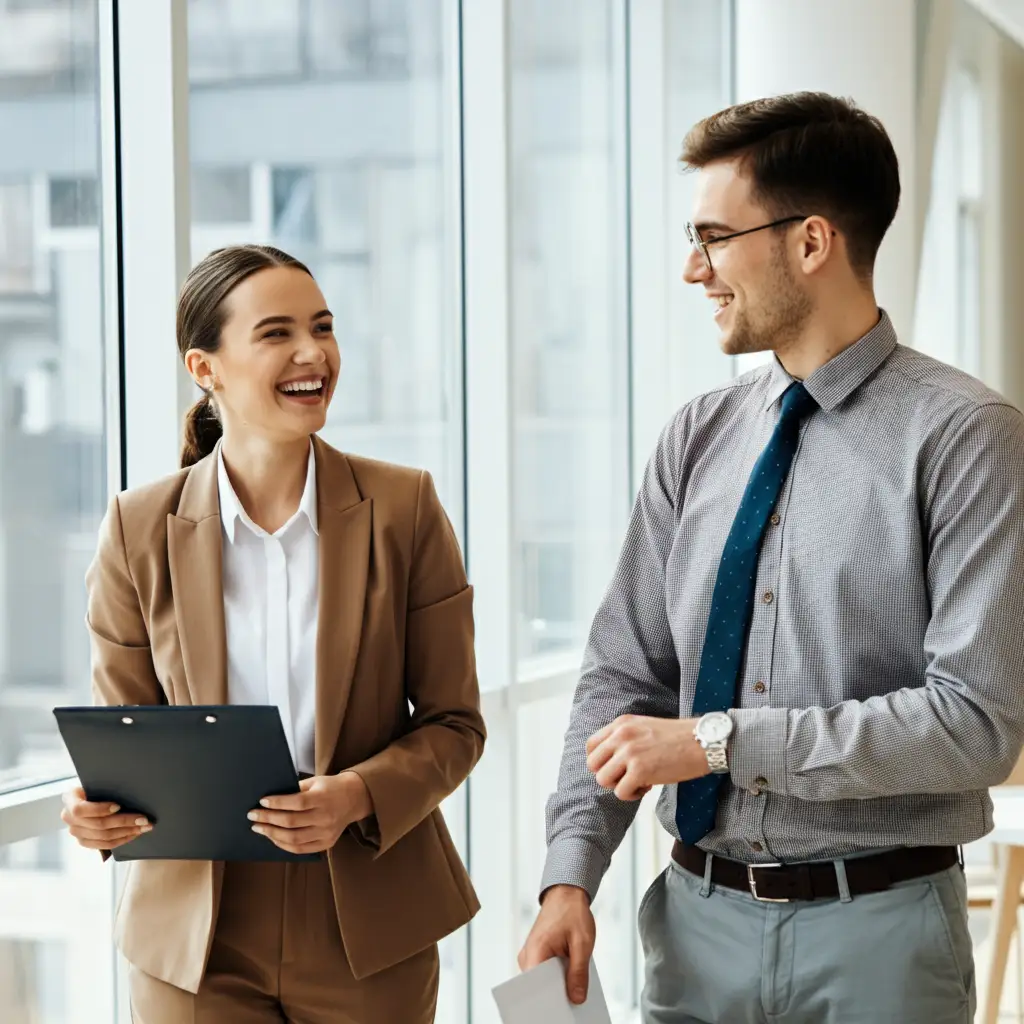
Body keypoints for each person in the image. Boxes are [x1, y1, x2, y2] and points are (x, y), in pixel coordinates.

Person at [519, 92, 1024, 1023]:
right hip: (692, 929)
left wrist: (717, 742)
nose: (692, 268)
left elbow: (976, 726)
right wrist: (569, 876)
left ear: (811, 242)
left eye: (713, 237)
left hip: (881, 935)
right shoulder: (696, 437)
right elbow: (624, 677)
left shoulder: (966, 438)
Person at [60, 244, 485, 1023]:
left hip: (367, 909)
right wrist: (96, 808)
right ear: (205, 367)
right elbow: (127, 735)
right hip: (196, 934)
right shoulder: (136, 528)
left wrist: (356, 792)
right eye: (276, 332)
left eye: (322, 327)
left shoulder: (405, 508)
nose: (312, 353)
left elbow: (457, 726)